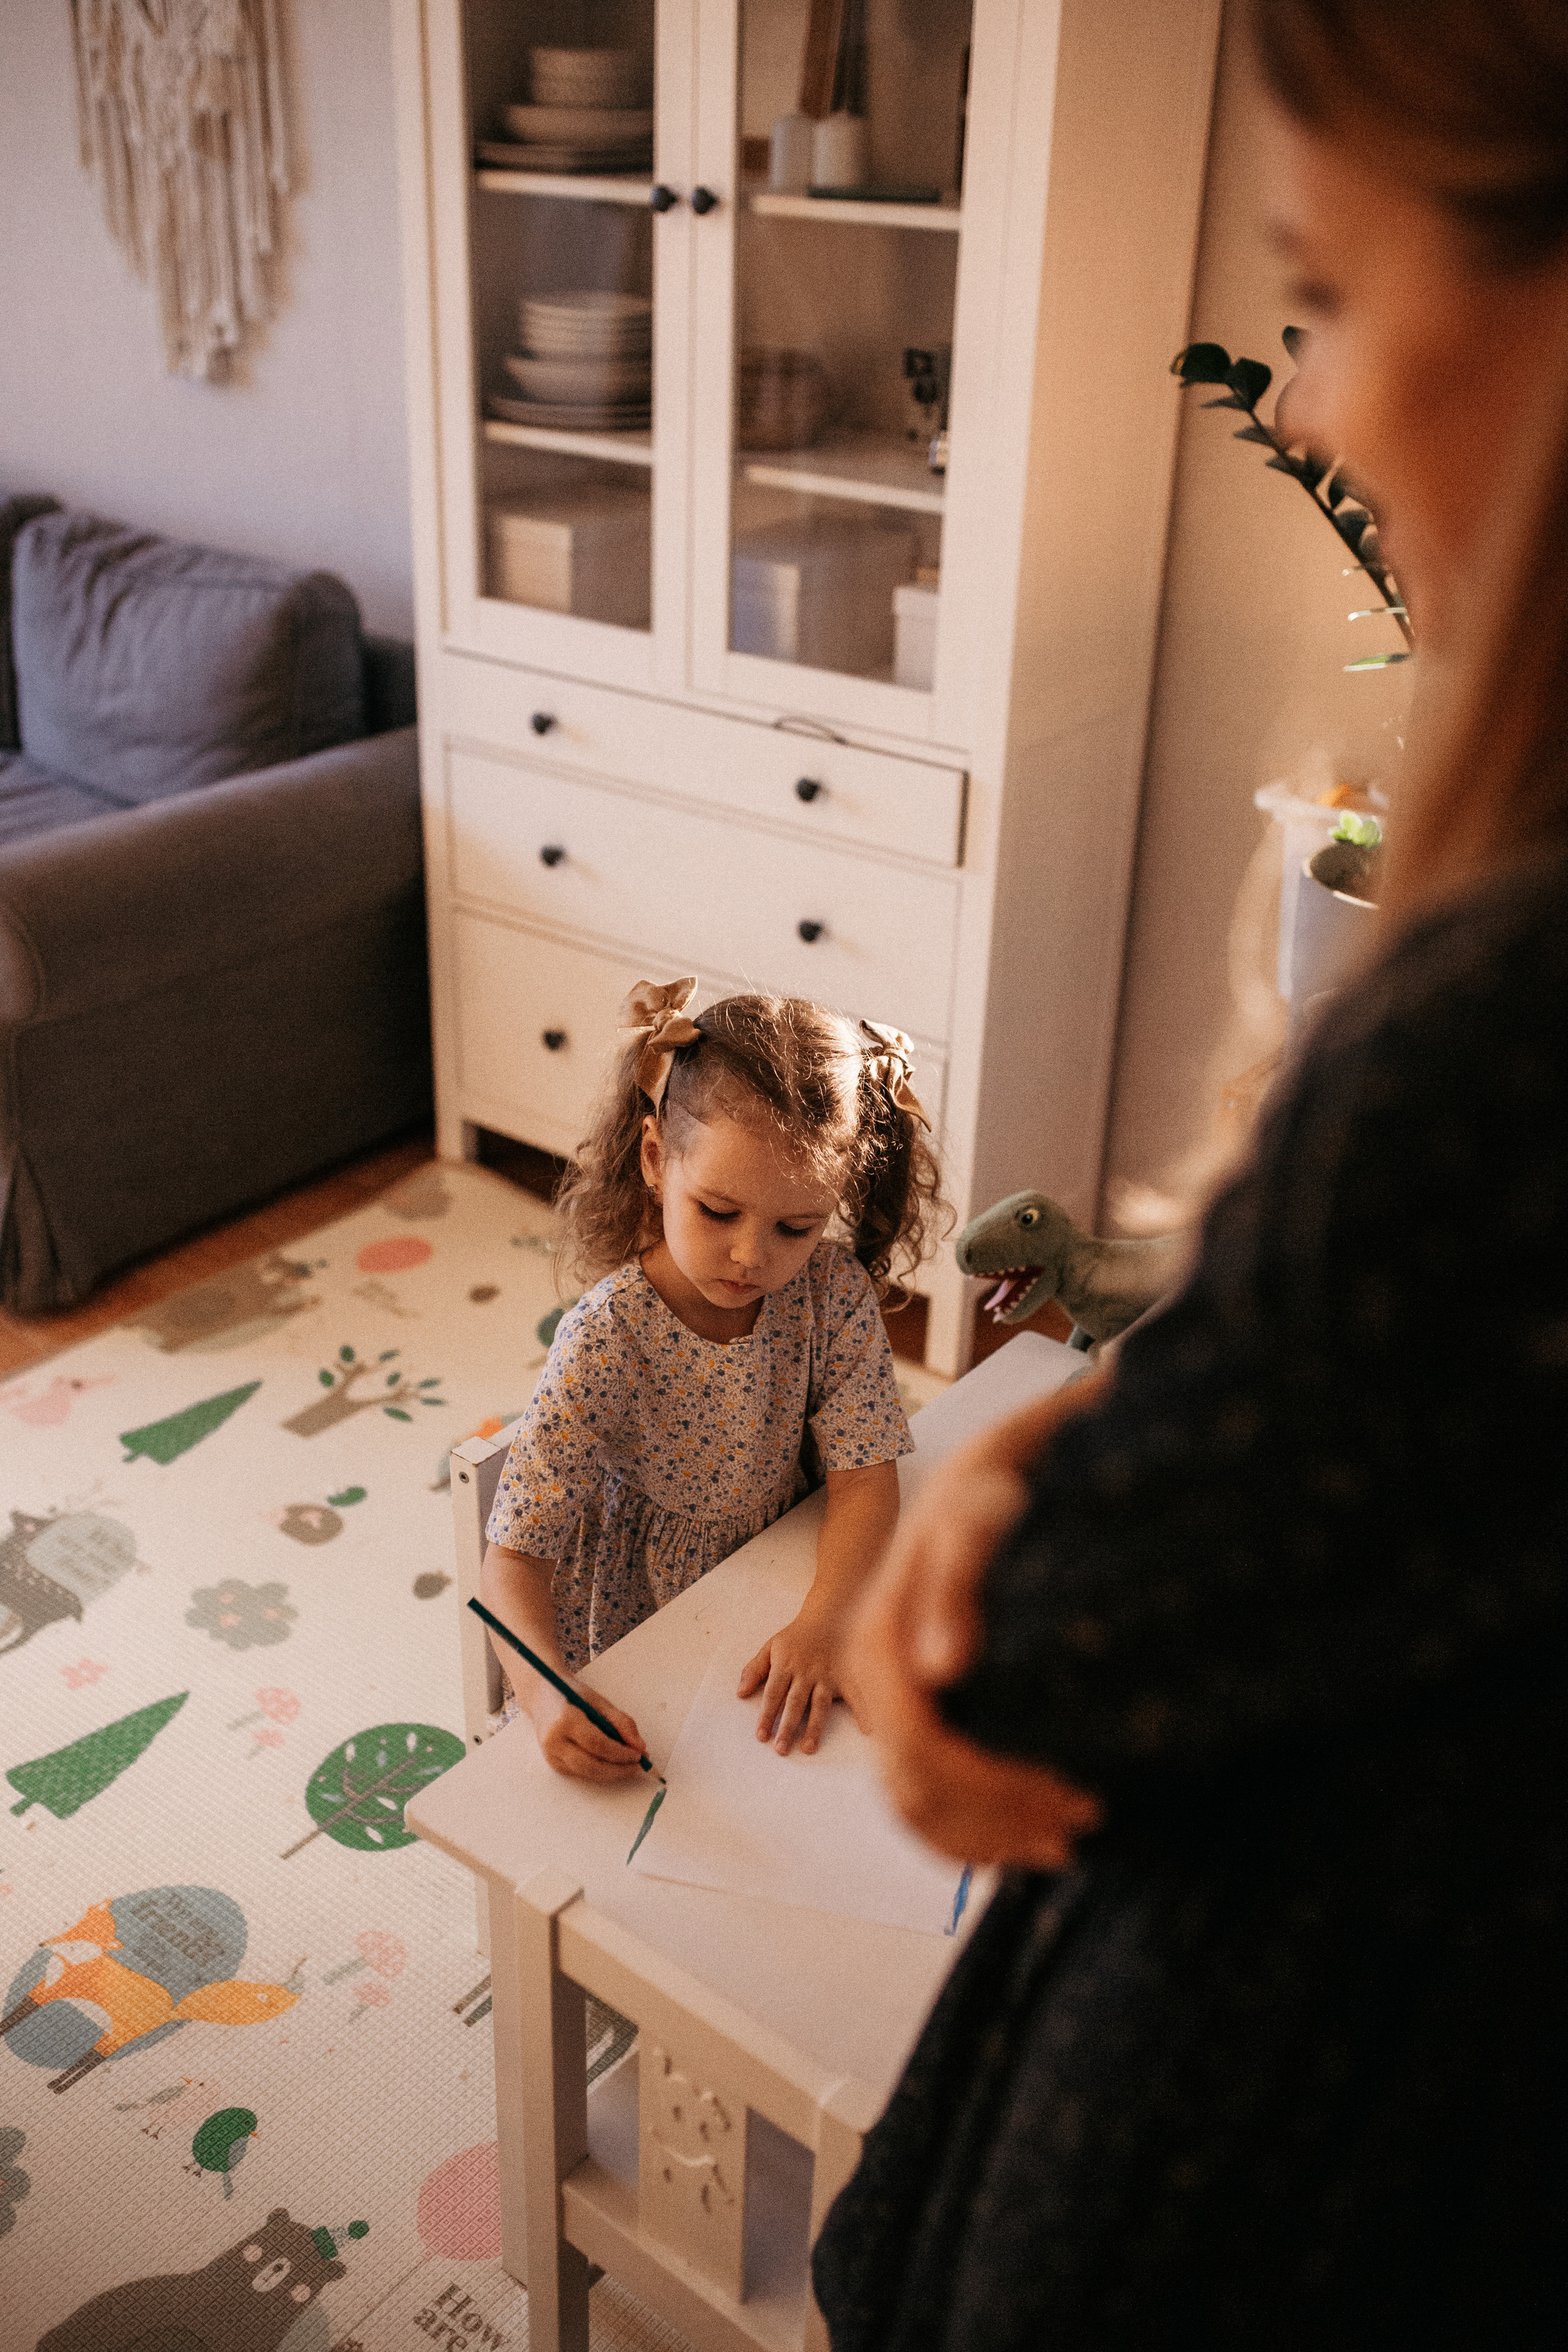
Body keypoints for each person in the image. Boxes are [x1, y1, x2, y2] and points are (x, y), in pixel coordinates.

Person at [813, 2, 1568, 2343]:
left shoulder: (1495, 1050)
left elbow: (1039, 1677)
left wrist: (987, 1521)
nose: (1311, 399)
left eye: (1328, 290)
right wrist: (1062, 1444)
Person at [478, 979, 941, 1777]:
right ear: (658, 1159)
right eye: (718, 1212)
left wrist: (827, 1621)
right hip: (642, 1626)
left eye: (796, 1226)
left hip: (786, 1578)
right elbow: (513, 1561)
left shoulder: (830, 1292)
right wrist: (548, 1697)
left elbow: (867, 1482)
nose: (751, 1257)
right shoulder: (608, 1335)